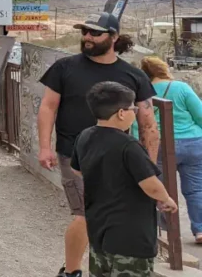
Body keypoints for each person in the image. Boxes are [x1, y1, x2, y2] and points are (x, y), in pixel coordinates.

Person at [37, 12, 159, 277]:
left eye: (95, 33)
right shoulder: (64, 67)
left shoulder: (133, 75)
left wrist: (148, 164)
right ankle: (71, 272)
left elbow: (148, 123)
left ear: (114, 38)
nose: (87, 37)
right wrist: (45, 146)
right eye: (84, 32)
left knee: (110, 215)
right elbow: (48, 107)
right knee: (84, 215)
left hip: (121, 160)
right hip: (74, 154)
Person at [71, 81, 178, 276]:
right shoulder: (129, 146)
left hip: (98, 230)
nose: (135, 113)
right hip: (131, 237)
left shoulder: (84, 136)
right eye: (133, 109)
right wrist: (165, 199)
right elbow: (150, 184)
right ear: (121, 113)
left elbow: (78, 170)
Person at [140, 56, 202, 242]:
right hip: (192, 143)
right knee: (196, 189)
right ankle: (200, 229)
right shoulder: (182, 88)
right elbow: (200, 115)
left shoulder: (143, 93)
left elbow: (140, 125)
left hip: (158, 145)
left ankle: (167, 233)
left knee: (161, 189)